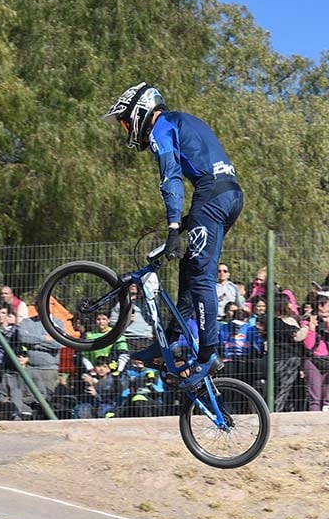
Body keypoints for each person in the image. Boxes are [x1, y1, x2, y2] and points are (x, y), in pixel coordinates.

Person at [102, 83, 244, 389]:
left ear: (140, 112)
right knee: (190, 266)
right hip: (229, 194)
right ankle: (171, 339)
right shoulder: (182, 119)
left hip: (212, 196)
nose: (127, 129)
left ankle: (208, 354)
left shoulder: (161, 128)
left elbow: (171, 179)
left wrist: (172, 227)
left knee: (202, 275)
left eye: (126, 122)